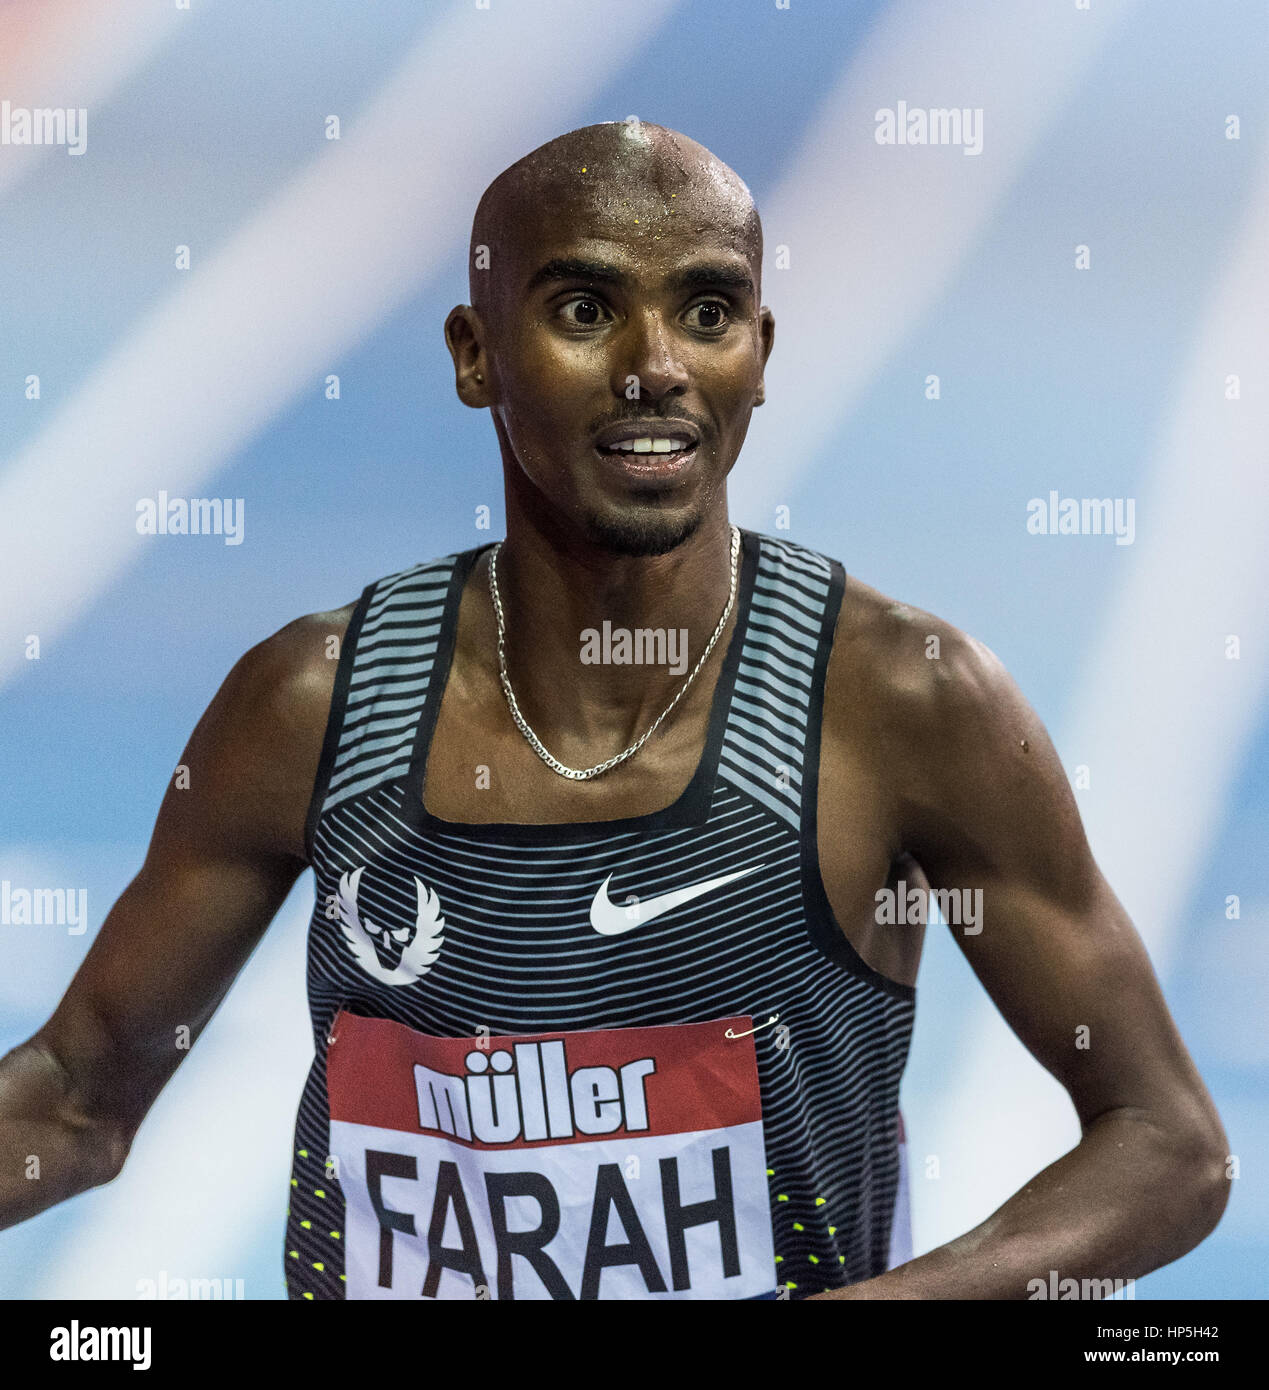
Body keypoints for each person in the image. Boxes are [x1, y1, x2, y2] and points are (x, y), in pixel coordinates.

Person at [0, 121, 1228, 1300]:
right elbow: (73, 1097)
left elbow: (1167, 1141)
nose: (656, 367)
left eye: (707, 312)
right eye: (586, 311)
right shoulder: (312, 708)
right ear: (475, 354)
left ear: (761, 349)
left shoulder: (907, 704)